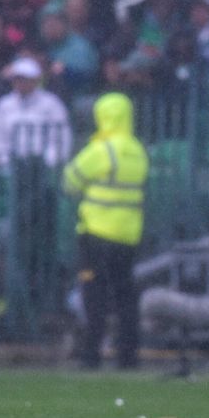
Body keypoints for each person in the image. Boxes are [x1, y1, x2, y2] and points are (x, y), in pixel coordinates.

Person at [62, 92, 149, 369]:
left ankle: (91, 355)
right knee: (125, 296)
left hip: (97, 233)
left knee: (94, 295)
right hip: (128, 235)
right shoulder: (138, 150)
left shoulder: (102, 150)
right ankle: (128, 355)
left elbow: (70, 180)